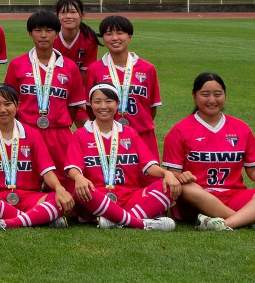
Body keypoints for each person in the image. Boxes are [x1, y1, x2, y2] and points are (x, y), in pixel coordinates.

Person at [162, 72, 255, 231]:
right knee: (185, 188)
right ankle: (250, 219)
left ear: (225, 95)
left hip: (234, 195)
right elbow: (172, 173)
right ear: (194, 95)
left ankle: (227, 223)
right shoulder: (180, 130)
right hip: (198, 197)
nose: (212, 100)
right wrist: (182, 176)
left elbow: (253, 171)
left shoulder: (241, 128)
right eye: (205, 94)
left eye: (218, 94)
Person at [65, 83, 179, 231]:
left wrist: (166, 173)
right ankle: (139, 223)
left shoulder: (130, 133)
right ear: (91, 105)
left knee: (170, 185)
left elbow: (149, 165)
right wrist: (79, 177)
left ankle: (115, 220)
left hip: (129, 197)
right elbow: (72, 167)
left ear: (118, 104)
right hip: (97, 196)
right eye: (97, 101)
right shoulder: (80, 134)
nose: (103, 106)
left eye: (109, 101)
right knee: (81, 191)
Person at [0, 84, 74, 229]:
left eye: (8, 104)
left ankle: (7, 223)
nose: (2, 110)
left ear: (17, 105)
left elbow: (47, 171)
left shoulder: (32, 134)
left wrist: (59, 188)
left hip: (29, 197)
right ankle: (39, 217)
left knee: (60, 199)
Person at [3, 10, 86, 167]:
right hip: (26, 131)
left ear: (56, 33)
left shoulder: (70, 67)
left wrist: (60, 120)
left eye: (48, 31)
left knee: (64, 183)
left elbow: (74, 105)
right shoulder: (17, 64)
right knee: (26, 182)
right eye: (38, 30)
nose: (43, 35)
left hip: (59, 133)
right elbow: (9, 101)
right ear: (30, 34)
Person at [84, 15, 161, 155]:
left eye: (120, 33)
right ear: (103, 38)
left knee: (149, 175)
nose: (114, 38)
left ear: (129, 37)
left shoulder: (148, 68)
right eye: (108, 34)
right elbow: (90, 108)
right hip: (107, 136)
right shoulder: (94, 69)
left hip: (143, 135)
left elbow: (151, 108)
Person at [55, 0, 100, 78]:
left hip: (77, 84)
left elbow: (85, 72)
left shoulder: (89, 39)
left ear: (82, 15)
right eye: (63, 12)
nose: (68, 16)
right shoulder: (51, 36)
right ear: (57, 15)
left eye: (73, 12)